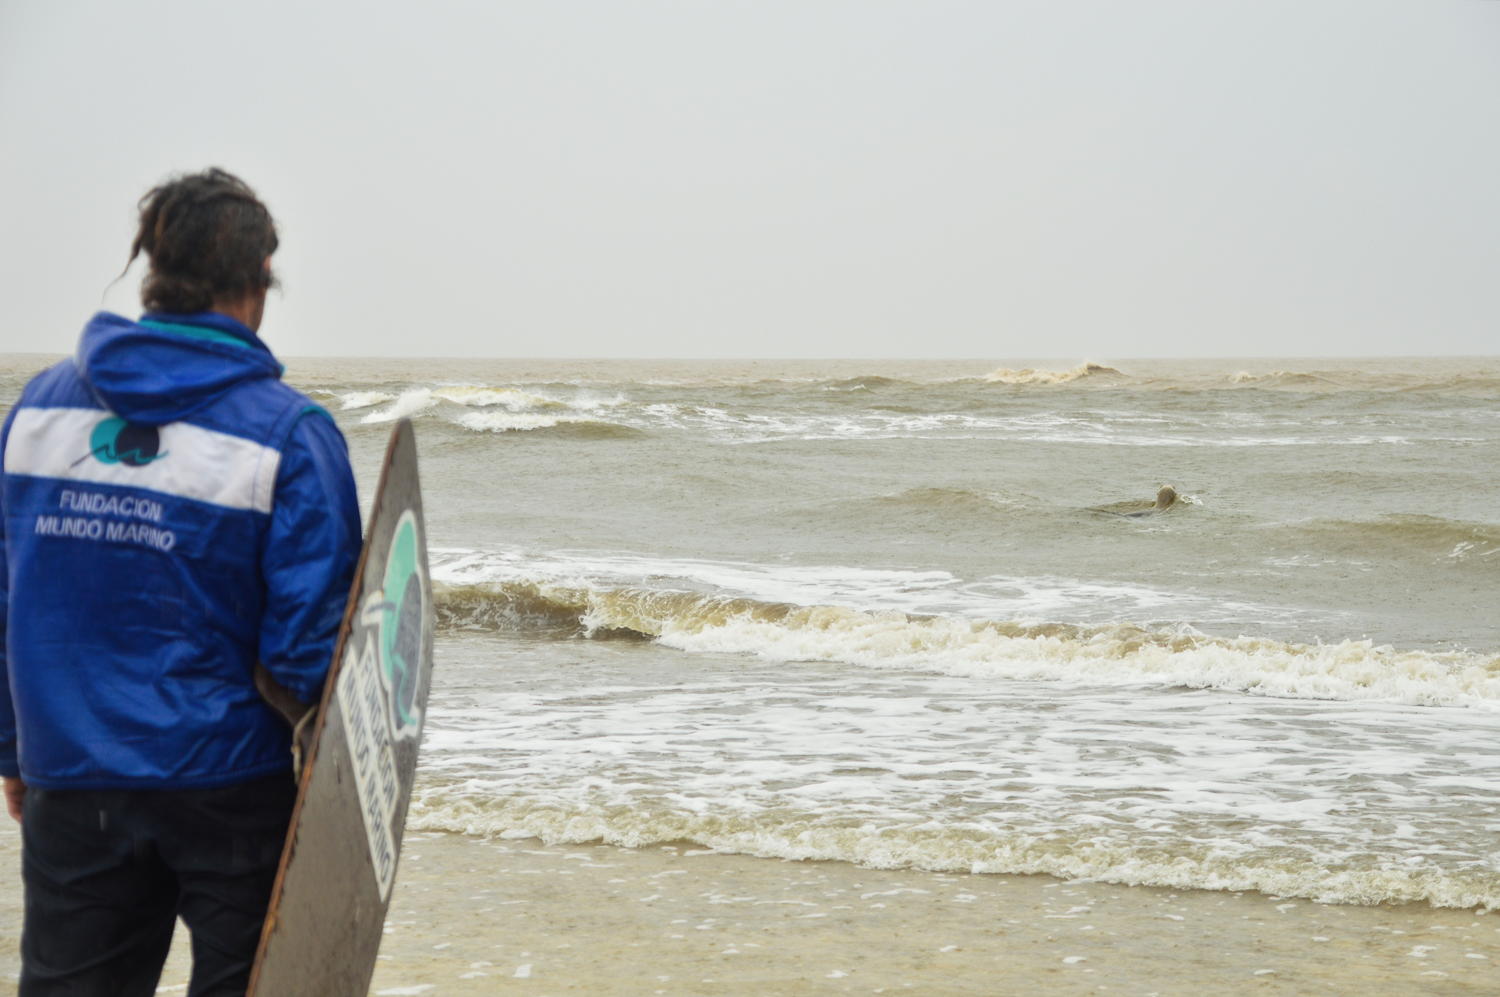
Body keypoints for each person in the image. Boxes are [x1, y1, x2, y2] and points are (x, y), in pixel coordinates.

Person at [0, 168, 362, 995]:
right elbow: (310, 643)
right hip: (230, 783)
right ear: (257, 281)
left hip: (72, 771)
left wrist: (12, 749)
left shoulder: (37, 414)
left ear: (153, 273)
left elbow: (4, 595)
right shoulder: (288, 435)